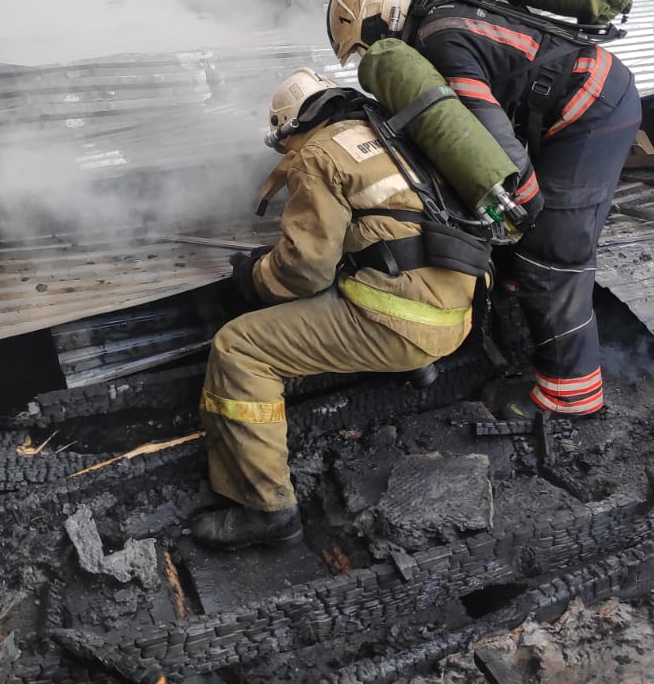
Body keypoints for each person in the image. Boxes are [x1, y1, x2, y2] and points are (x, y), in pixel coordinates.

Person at [324, 0, 641, 416]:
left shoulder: (440, 43)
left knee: (551, 258)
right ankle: (530, 331)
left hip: (590, 112)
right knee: (535, 244)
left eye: (365, 49)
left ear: (381, 22)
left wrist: (524, 212)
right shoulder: (442, 6)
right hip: (579, 96)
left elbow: (494, 143)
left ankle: (571, 397)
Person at [194, 67, 485, 550]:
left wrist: (253, 277)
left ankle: (267, 509)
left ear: (291, 127)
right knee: (363, 268)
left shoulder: (318, 154)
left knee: (239, 348)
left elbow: (304, 271)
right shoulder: (392, 131)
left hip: (403, 322)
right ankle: (417, 368)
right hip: (459, 310)